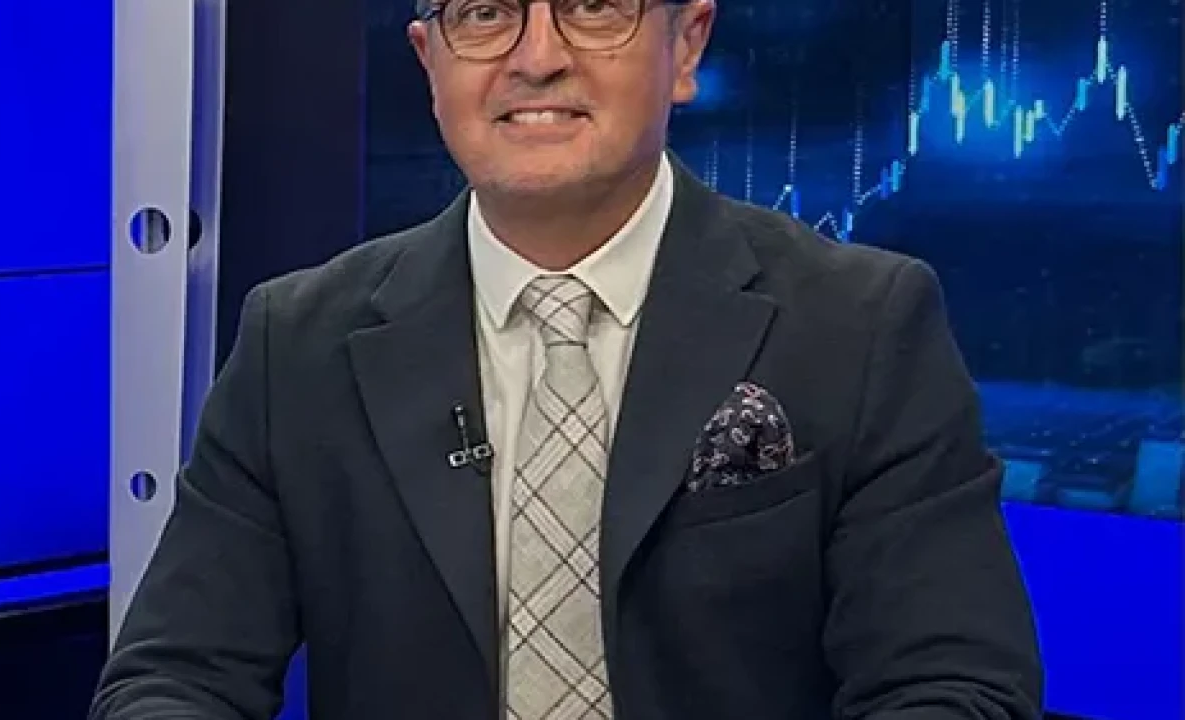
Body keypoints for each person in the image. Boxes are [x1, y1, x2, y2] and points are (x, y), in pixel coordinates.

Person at [90, 0, 1044, 717]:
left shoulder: (861, 325)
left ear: (687, 44)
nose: (537, 57)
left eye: (594, 7)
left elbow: (953, 681)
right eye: (484, 13)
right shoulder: (295, 343)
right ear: (428, 60)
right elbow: (176, 677)